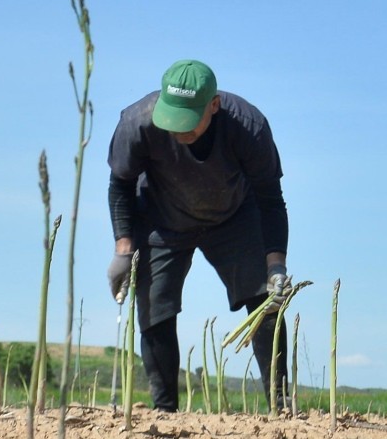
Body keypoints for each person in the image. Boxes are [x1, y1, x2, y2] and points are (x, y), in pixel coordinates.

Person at [106, 59, 292, 413]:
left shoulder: (248, 127)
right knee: (155, 306)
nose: (179, 131)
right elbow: (121, 185)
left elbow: (270, 200)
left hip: (235, 216)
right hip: (162, 218)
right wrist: (123, 249)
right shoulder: (137, 122)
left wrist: (276, 266)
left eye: (188, 122)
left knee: (265, 302)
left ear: (214, 106)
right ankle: (166, 412)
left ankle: (281, 406)